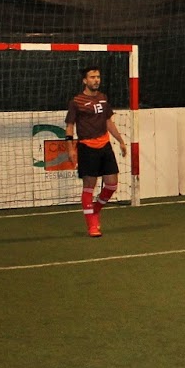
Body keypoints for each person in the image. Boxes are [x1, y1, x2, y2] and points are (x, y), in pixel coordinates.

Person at [65, 65, 127, 238]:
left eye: (98, 77)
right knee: (89, 187)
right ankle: (92, 225)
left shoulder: (103, 98)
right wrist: (70, 149)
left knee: (112, 184)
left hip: (105, 145)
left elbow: (108, 122)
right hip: (87, 147)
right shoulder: (76, 101)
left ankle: (96, 209)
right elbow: (70, 126)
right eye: (92, 77)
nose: (96, 80)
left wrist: (120, 141)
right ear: (85, 81)